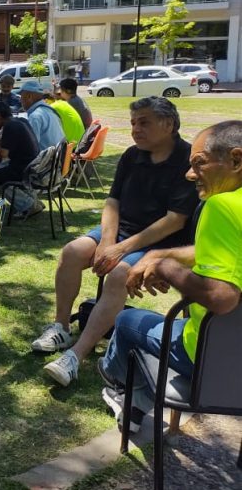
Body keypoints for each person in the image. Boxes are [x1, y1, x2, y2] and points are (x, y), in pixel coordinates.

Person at [32, 97, 198, 387]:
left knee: (120, 273)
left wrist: (120, 250)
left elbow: (175, 220)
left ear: (168, 124)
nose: (135, 129)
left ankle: (75, 356)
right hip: (120, 232)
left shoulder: (185, 161)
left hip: (159, 244)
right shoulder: (132, 155)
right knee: (72, 251)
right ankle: (60, 327)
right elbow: (112, 201)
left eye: (143, 122)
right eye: (133, 122)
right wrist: (108, 242)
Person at [99, 120, 242, 433]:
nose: (189, 174)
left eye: (199, 163)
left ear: (236, 160)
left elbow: (223, 297)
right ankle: (135, 399)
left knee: (125, 322)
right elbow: (226, 252)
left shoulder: (221, 206)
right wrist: (159, 255)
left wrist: (165, 268)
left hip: (212, 358)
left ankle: (124, 390)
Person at [0, 101, 39, 188]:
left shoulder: (9, 126)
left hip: (22, 170)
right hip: (32, 166)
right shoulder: (21, 121)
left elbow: (3, 153)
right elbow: (13, 140)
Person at [19, 82, 65, 151]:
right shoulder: (49, 110)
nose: (20, 100)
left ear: (29, 96)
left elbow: (30, 148)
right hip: (57, 158)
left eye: (21, 96)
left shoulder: (35, 116)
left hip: (46, 160)